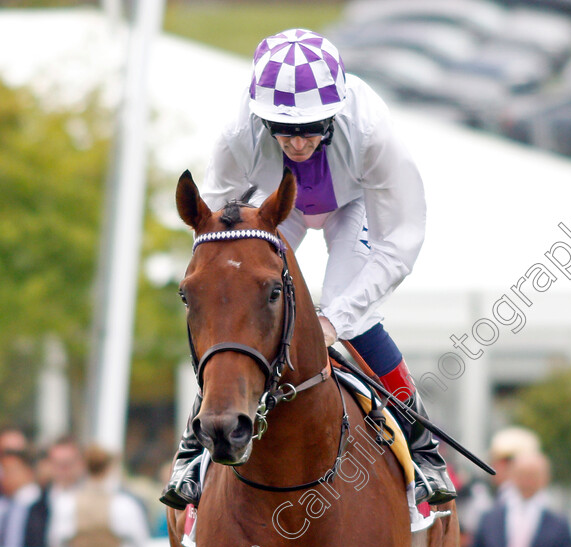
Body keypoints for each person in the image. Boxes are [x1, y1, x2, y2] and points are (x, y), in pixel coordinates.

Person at [161, 28, 456, 510]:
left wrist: (334, 318)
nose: (297, 143)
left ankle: (420, 442)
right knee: (239, 307)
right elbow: (215, 231)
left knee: (354, 318)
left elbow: (399, 242)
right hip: (278, 208)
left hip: (354, 205)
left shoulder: (372, 131)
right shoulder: (239, 133)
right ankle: (195, 443)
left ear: (335, 115)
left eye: (312, 128)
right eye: (284, 128)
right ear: (261, 117)